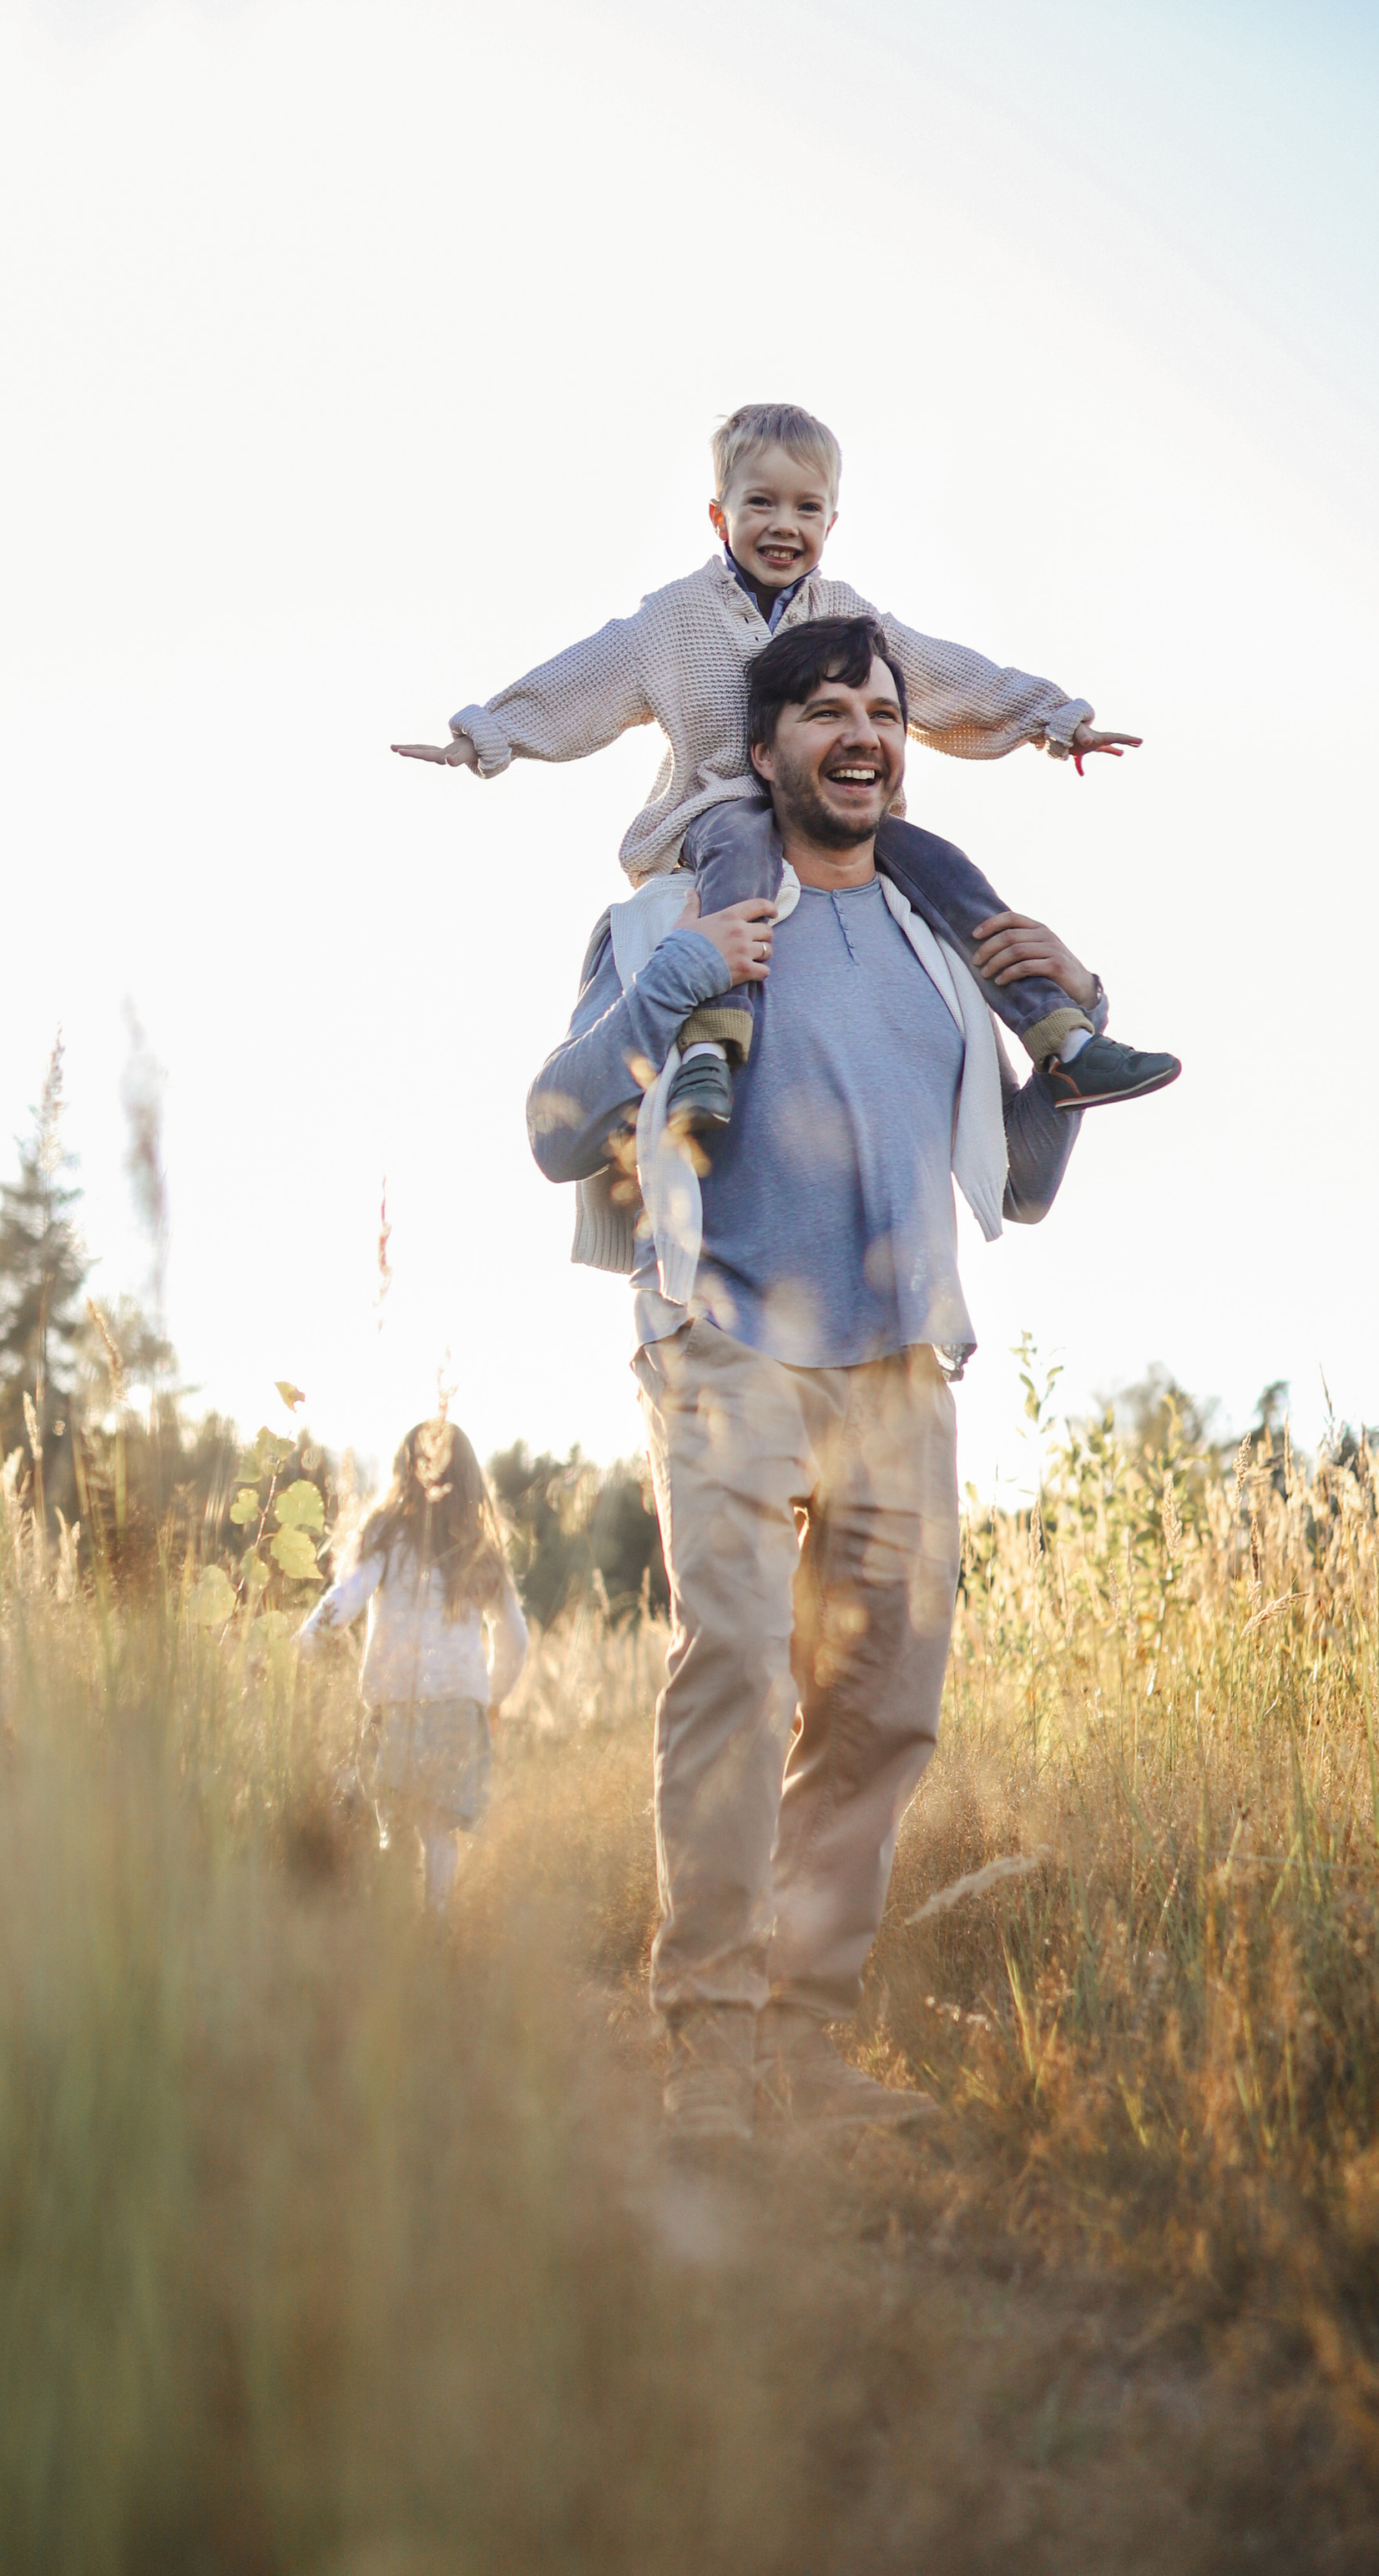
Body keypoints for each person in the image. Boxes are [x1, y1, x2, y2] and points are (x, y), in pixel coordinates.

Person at [527, 610, 1104, 2143]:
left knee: (882, 1710)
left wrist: (1070, 1042)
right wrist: (674, 986)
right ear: (768, 747)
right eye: (830, 709)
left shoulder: (941, 946)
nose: (864, 731)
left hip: (904, 1370)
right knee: (734, 1667)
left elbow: (1024, 1185)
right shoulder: (666, 924)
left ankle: (804, 2044)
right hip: (723, 1346)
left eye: (885, 711)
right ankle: (709, 2049)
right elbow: (551, 1131)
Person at [400, 398, 1178, 1136]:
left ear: (832, 522)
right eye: (761, 504)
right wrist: (487, 733)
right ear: (719, 516)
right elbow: (587, 676)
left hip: (837, 824)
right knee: (741, 842)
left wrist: (1051, 719)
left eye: (807, 508)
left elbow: (943, 676)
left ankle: (1062, 1036)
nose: (784, 525)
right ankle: (712, 1043)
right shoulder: (676, 618)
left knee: (943, 864)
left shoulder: (848, 617)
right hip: (720, 812)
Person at [296, 1420, 529, 1910]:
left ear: (403, 1469)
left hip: (395, 1696)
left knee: (393, 1823)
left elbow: (349, 1595)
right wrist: (489, 1697)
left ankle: (394, 1936)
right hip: (458, 1701)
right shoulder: (480, 1548)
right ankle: (435, 1934)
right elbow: (515, 1638)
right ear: (470, 1479)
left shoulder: (384, 1534)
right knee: (439, 1831)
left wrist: (308, 1637)